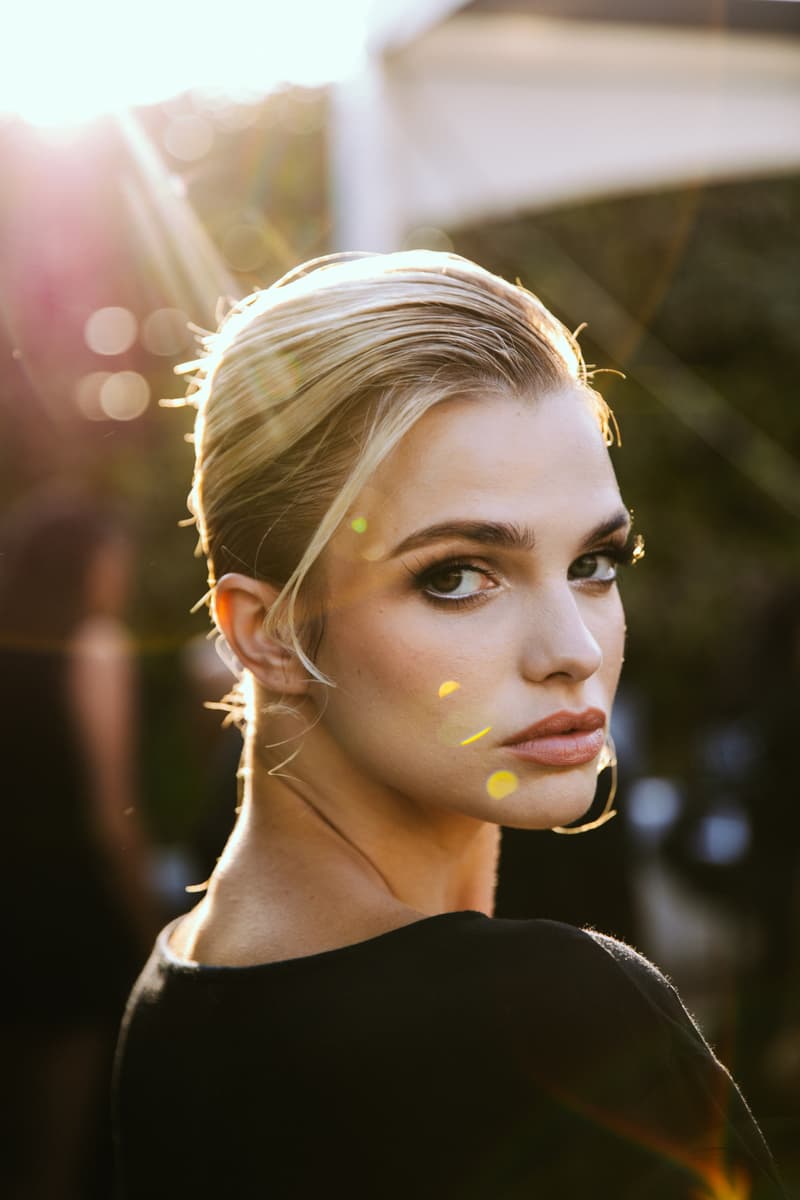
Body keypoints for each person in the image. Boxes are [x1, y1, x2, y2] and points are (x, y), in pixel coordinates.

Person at [113, 251, 786, 1199]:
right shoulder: (553, 1017)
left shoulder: (174, 989)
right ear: (263, 635)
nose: (572, 649)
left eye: (595, 562)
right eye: (457, 575)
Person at [0, 489, 160, 1200]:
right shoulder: (96, 644)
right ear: (85, 566)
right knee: (62, 1148)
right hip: (67, 911)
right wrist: (147, 927)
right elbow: (110, 812)